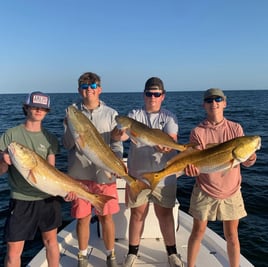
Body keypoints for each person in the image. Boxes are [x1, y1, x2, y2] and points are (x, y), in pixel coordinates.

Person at [113, 77, 184, 267]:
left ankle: (172, 253)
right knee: (137, 214)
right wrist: (119, 133)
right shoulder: (134, 115)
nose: (152, 97)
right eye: (149, 93)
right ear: (143, 95)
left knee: (165, 215)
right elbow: (123, 136)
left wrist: (168, 147)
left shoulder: (169, 117)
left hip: (165, 177)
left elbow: (172, 139)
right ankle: (132, 252)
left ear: (163, 96)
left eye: (156, 94)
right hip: (138, 176)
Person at [185, 88, 257, 267]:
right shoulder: (197, 132)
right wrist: (190, 170)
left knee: (232, 235)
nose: (213, 103)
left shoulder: (236, 129)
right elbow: (193, 160)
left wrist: (251, 156)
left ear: (225, 103)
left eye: (218, 99)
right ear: (204, 105)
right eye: (209, 100)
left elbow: (246, 161)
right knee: (198, 231)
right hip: (204, 188)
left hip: (231, 189)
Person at [62, 72, 122, 267]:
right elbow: (67, 144)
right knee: (82, 218)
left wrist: (117, 163)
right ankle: (82, 255)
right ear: (79, 90)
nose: (89, 89)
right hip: (80, 176)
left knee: (106, 217)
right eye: (85, 86)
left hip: (104, 175)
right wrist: (71, 128)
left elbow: (116, 143)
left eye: (93, 86)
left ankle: (110, 255)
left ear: (100, 89)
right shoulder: (72, 113)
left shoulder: (111, 113)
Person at [0, 91, 61, 267]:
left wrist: (66, 192)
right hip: (21, 199)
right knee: (13, 252)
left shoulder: (50, 138)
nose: (39, 110)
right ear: (26, 107)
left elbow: (52, 171)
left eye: (43, 108)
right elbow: (1, 171)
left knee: (51, 243)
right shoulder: (10, 135)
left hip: (48, 199)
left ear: (47, 111)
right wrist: (3, 160)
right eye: (35, 106)